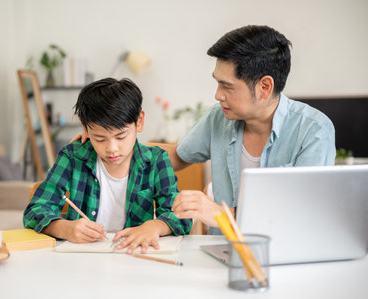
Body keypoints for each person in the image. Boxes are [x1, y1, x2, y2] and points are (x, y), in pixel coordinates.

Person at [170, 25, 336, 234]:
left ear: (264, 87)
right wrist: (122, 144)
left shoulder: (314, 131)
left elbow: (304, 213)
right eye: (217, 84)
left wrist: (222, 215)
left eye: (227, 86)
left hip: (284, 257)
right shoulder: (218, 117)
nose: (218, 95)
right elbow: (177, 155)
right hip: (222, 254)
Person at [23, 77, 191, 253]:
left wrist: (155, 226)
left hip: (133, 257)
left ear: (139, 121)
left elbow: (182, 217)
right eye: (100, 138)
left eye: (121, 137)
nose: (112, 149)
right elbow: (34, 210)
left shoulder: (157, 160)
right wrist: (64, 228)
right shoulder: (72, 157)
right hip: (82, 259)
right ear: (85, 128)